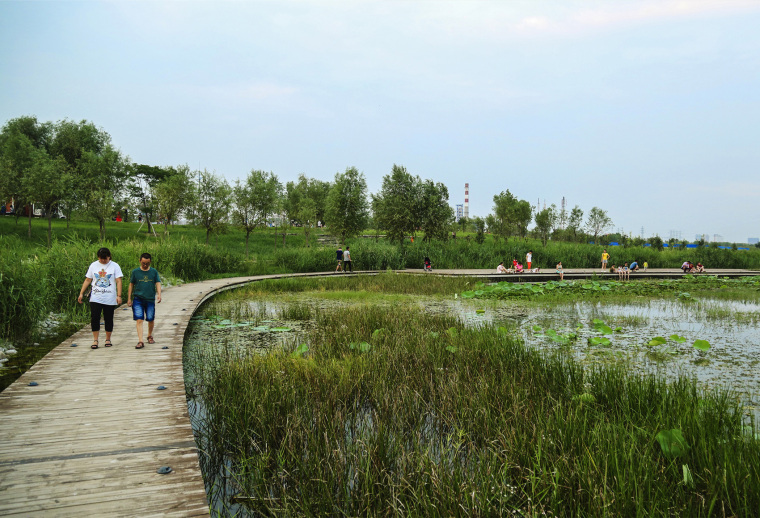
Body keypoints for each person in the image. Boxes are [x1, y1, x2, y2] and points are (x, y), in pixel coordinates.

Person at [78, 247, 123, 349]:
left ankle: (108, 339)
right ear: (98, 257)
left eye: (105, 258)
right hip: (96, 297)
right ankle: (95, 340)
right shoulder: (93, 265)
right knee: (95, 318)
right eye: (101, 258)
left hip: (109, 297)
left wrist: (119, 296)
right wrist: (81, 293)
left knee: (108, 318)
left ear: (109, 256)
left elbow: (119, 281)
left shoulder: (115, 266)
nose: (103, 260)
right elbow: (88, 280)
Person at [127, 253, 162, 349]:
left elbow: (157, 283)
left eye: (147, 263)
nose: (145, 265)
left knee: (150, 318)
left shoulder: (154, 272)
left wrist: (159, 294)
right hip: (138, 298)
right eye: (143, 263)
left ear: (150, 262)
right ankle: (140, 341)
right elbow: (131, 285)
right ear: (140, 261)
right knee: (139, 319)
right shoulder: (135, 272)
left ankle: (149, 335)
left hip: (150, 299)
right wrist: (129, 298)